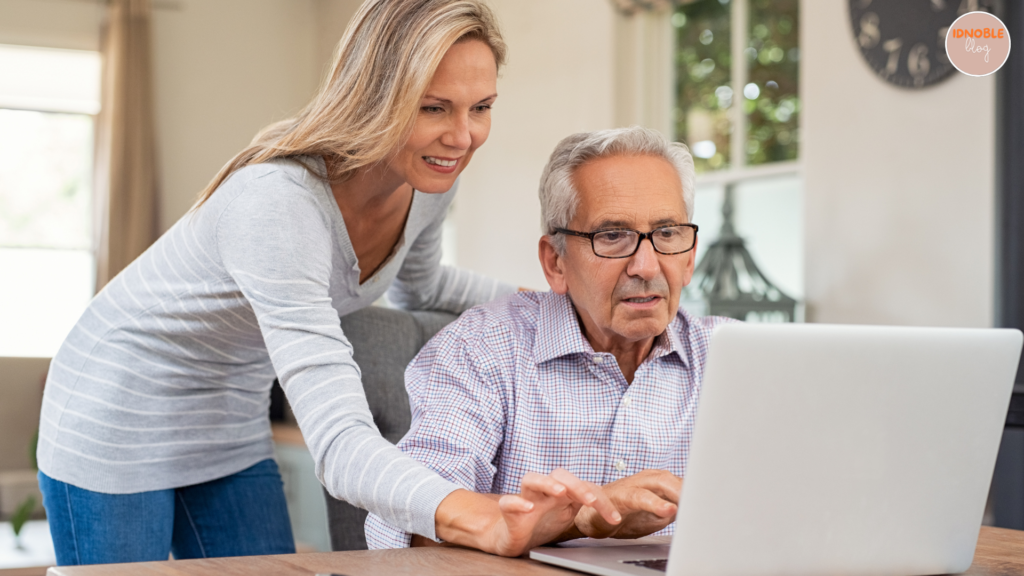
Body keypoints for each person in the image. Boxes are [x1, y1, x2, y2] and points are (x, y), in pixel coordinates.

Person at [35, 0, 619, 566]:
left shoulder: (426, 182)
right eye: (433, 108)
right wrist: (480, 517)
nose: (463, 137)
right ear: (375, 97)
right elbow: (340, 445)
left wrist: (569, 303)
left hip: (229, 417)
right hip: (116, 407)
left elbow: (424, 284)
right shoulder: (278, 205)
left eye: (482, 107)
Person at [366, 126, 737, 549]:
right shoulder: (481, 348)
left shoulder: (736, 360)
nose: (647, 266)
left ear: (689, 258)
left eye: (668, 233)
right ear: (555, 262)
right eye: (612, 236)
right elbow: (408, 522)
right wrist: (576, 521)